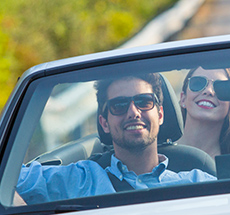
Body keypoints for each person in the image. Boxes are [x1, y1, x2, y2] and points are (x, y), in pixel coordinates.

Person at [13, 73, 216, 204]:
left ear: (160, 114)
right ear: (104, 123)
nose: (133, 112)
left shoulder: (198, 183)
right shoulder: (78, 179)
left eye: (144, 102)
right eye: (119, 106)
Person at [178, 66, 230, 159]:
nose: (208, 91)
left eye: (221, 87)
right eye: (198, 83)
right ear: (183, 98)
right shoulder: (158, 156)